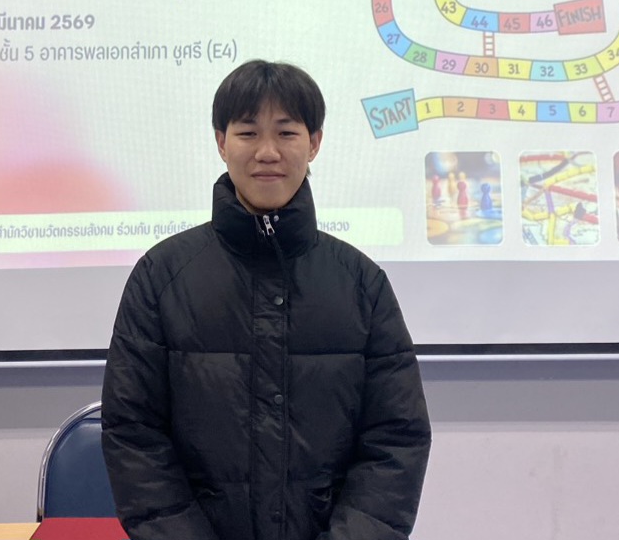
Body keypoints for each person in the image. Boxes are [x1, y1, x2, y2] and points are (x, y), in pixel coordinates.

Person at [101, 60, 431, 540]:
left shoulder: (361, 283)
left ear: (314, 143)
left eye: (287, 133)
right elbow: (134, 432)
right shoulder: (162, 276)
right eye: (248, 133)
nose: (267, 152)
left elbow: (396, 439)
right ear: (221, 142)